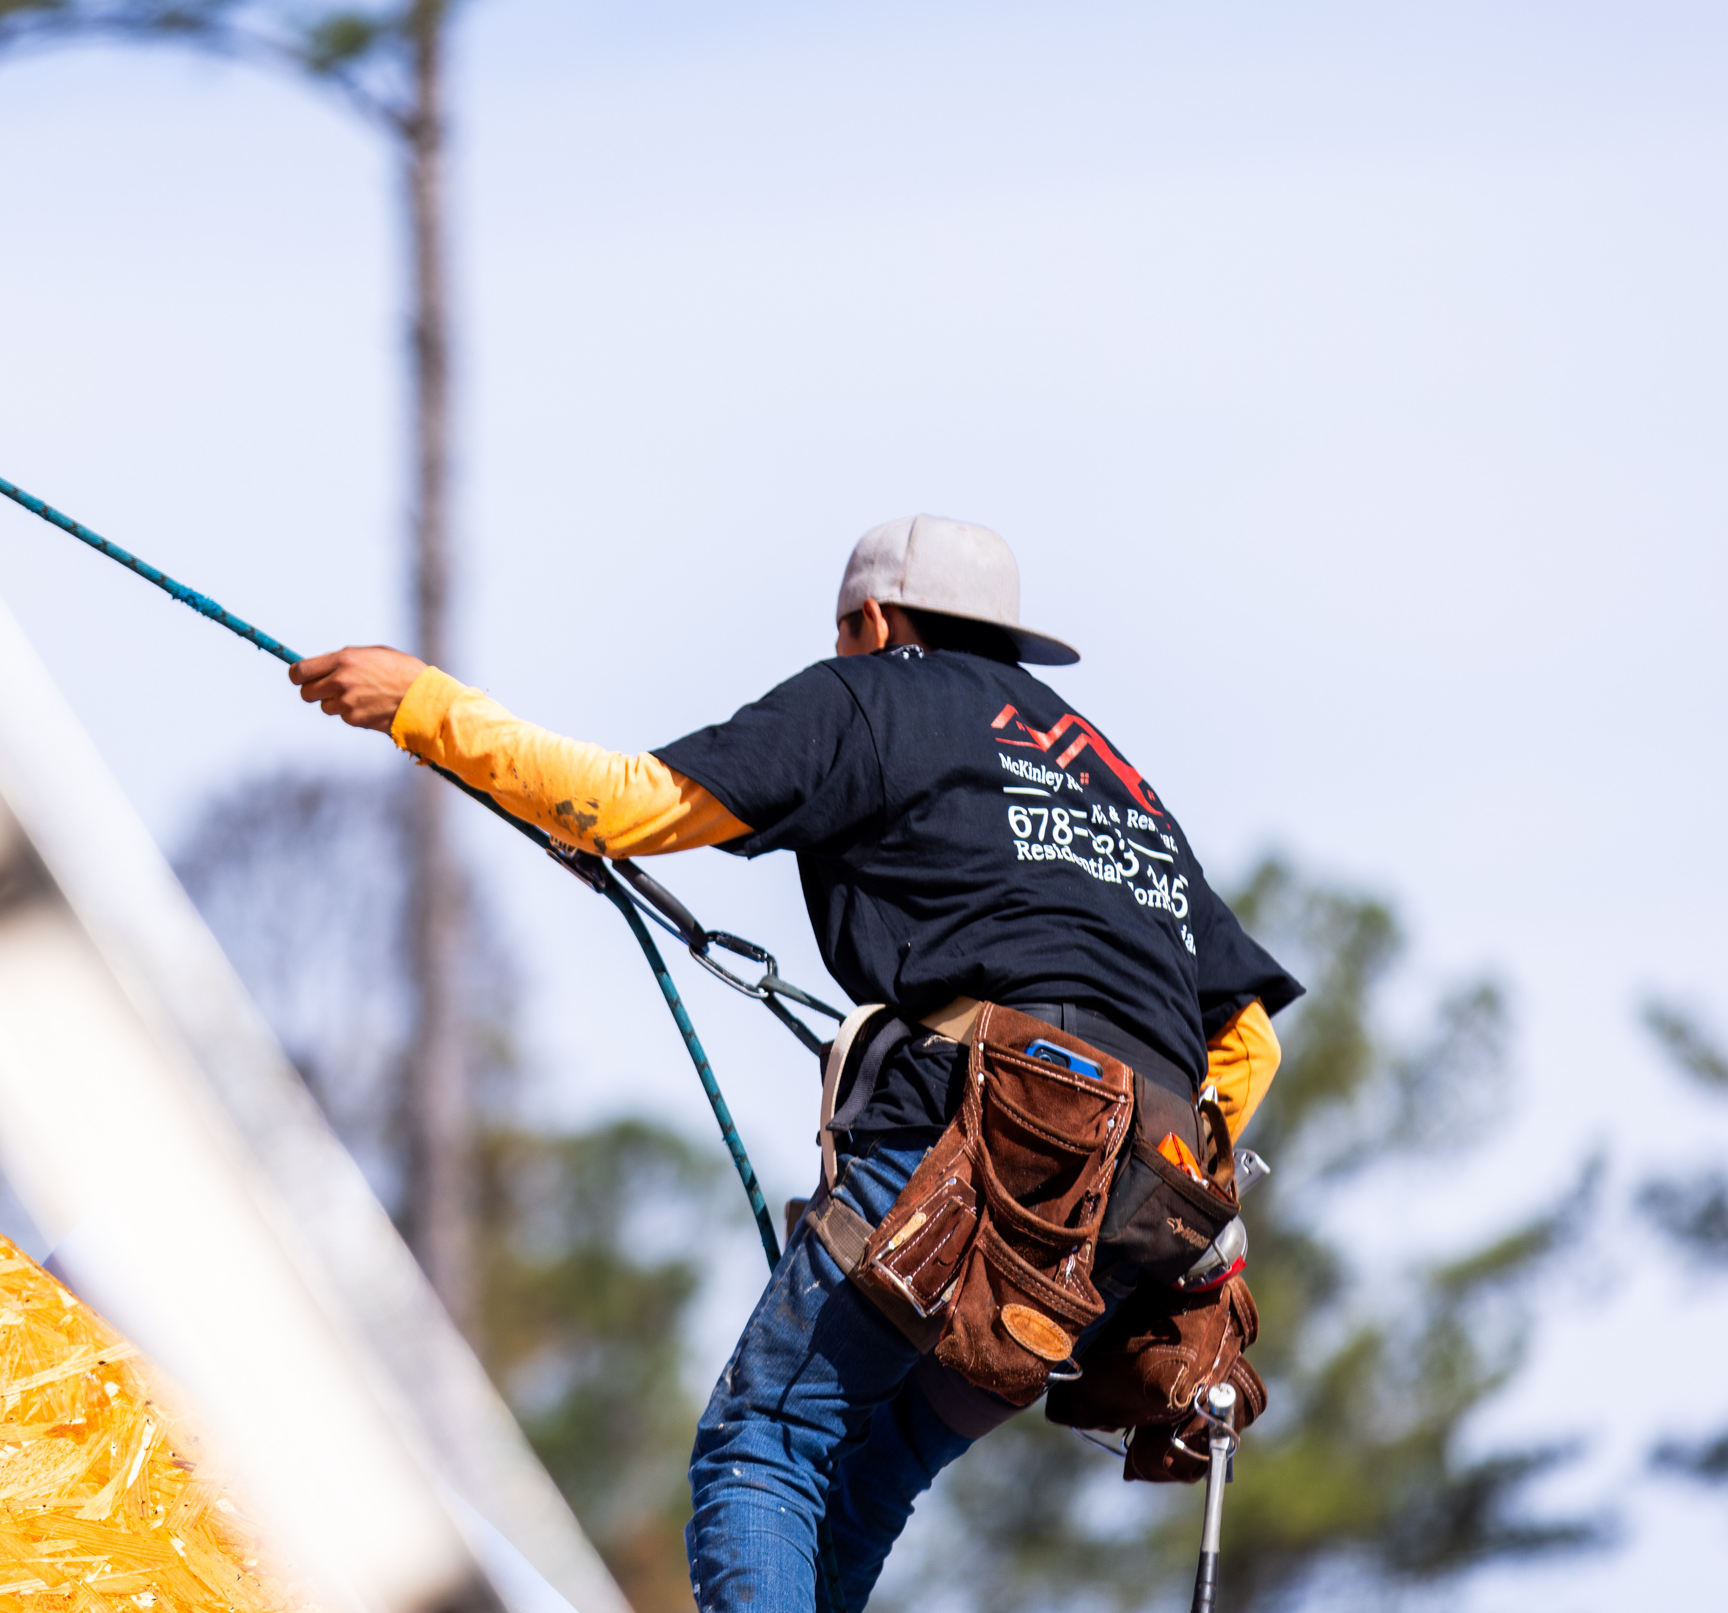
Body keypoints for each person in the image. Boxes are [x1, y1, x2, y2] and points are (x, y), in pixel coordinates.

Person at [290, 516, 1302, 1612]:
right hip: (1130, 1208)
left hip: (979, 1138)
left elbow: (629, 803)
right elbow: (1249, 1044)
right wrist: (1111, 1145)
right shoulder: (1115, 777)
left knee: (763, 1444)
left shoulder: (870, 692)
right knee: (867, 1478)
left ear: (871, 619)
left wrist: (423, 705)